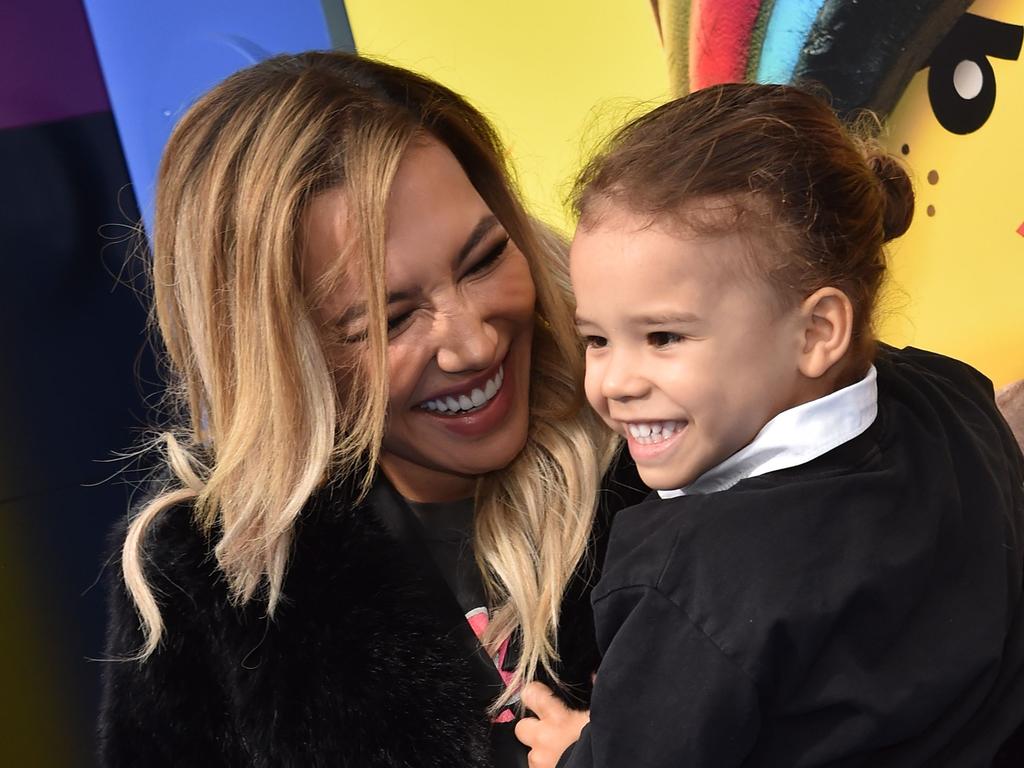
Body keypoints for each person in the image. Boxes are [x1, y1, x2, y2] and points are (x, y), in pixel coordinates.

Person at [97, 51, 646, 768]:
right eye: (387, 321)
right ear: (280, 361)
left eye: (482, 261)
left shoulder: (671, 432)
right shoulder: (199, 573)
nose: (473, 342)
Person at [515, 83, 1024, 767]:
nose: (614, 384)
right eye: (598, 340)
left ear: (817, 331)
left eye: (664, 337)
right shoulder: (954, 393)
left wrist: (576, 751)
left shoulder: (689, 581)